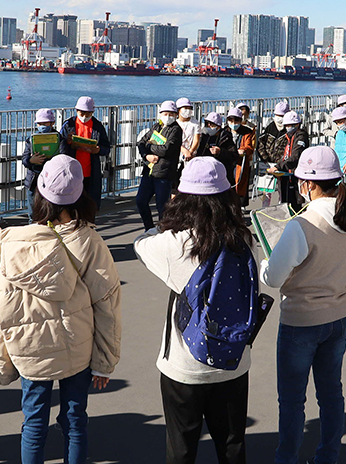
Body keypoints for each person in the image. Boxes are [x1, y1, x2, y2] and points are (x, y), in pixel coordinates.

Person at [0, 155, 122, 464]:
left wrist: (4, 364)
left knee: (33, 424)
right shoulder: (88, 240)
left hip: (31, 351)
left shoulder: (16, 242)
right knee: (75, 421)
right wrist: (104, 361)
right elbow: (108, 303)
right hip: (78, 346)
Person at [135, 157, 255, 464]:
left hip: (185, 366)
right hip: (233, 359)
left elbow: (140, 244)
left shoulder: (175, 245)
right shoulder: (244, 239)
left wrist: (170, 213)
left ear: (184, 198)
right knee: (231, 446)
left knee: (181, 449)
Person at [260, 147, 346, 464]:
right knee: (331, 395)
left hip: (300, 321)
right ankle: (326, 456)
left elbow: (274, 278)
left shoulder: (301, 224)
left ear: (308, 184)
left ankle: (287, 459)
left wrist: (265, 263)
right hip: (337, 316)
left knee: (291, 401)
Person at [136, 101, 183, 231]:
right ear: (160, 114)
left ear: (176, 115)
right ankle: (149, 228)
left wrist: (150, 146)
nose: (168, 117)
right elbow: (140, 142)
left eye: (171, 114)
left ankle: (164, 231)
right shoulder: (157, 126)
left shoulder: (176, 130)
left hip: (164, 173)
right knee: (140, 201)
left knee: (162, 206)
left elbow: (166, 150)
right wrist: (146, 156)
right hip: (149, 170)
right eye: (165, 114)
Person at [59, 96, 111, 209]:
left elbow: (106, 147)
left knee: (89, 205)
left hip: (90, 173)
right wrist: (67, 142)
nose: (84, 117)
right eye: (81, 113)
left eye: (87, 114)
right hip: (71, 172)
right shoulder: (68, 125)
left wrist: (98, 150)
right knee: (71, 205)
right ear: (76, 110)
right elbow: (59, 147)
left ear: (92, 112)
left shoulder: (98, 126)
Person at [22, 108, 61, 223]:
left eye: (45, 123)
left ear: (52, 123)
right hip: (33, 181)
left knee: (50, 214)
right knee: (33, 215)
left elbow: (63, 157)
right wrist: (31, 160)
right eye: (40, 123)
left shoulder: (59, 138)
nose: (42, 126)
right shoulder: (31, 139)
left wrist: (50, 160)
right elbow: (24, 160)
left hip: (51, 181)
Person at [267, 111, 308, 208]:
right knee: (286, 203)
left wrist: (278, 166)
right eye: (287, 125)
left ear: (297, 124)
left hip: (294, 175)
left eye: (291, 125)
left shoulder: (300, 137)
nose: (288, 127)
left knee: (295, 205)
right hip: (286, 174)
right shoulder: (289, 137)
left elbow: (295, 157)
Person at [196, 112, 239, 179]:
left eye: (212, 125)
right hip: (204, 170)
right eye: (207, 124)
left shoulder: (225, 137)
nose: (209, 126)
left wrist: (220, 151)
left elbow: (233, 155)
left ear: (218, 126)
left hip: (220, 172)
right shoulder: (204, 136)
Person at [227, 107, 255, 206]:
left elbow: (249, 147)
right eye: (231, 120)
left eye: (236, 120)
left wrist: (243, 151)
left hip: (240, 162)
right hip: (227, 161)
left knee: (240, 184)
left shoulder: (247, 132)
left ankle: (239, 206)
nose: (233, 123)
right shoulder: (224, 131)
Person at [258, 101, 291, 168]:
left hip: (282, 165)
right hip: (267, 164)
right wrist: (264, 158)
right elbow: (261, 143)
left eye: (281, 116)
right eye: (277, 115)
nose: (279, 118)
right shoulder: (270, 127)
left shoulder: (290, 129)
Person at [175, 98, 201, 162]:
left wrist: (190, 152)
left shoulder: (195, 123)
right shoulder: (175, 123)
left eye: (189, 108)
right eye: (185, 108)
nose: (188, 110)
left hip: (191, 156)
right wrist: (184, 151)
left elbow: (196, 140)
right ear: (179, 110)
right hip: (177, 155)